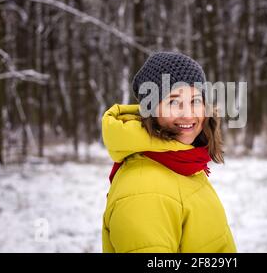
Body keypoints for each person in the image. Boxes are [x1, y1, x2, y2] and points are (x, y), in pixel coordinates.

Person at [101, 51, 236, 253]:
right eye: (173, 101)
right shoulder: (144, 190)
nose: (188, 114)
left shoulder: (181, 163)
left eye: (195, 101)